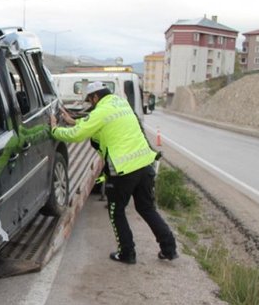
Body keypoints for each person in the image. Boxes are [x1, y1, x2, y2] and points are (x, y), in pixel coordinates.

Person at [49, 81, 177, 264]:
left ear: (95, 97)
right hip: (145, 164)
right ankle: (169, 249)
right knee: (147, 208)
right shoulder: (121, 103)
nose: (91, 104)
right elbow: (100, 124)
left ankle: (127, 253)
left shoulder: (100, 111)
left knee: (116, 211)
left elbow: (77, 135)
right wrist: (75, 120)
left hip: (124, 171)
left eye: (90, 100)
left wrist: (55, 129)